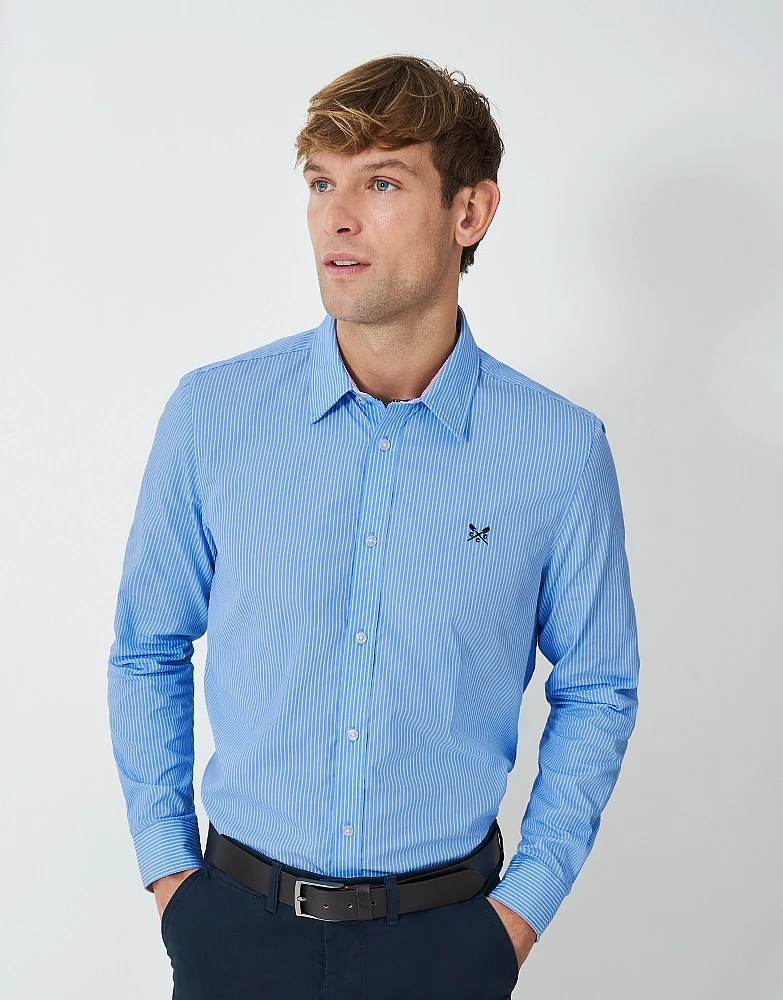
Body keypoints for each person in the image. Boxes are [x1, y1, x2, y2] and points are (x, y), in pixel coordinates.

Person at [107, 53, 640, 1000]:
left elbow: (597, 688)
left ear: (470, 212)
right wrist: (170, 879)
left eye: (381, 183)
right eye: (321, 183)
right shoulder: (213, 416)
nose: (336, 218)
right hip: (232, 931)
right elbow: (147, 646)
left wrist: (517, 916)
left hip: (445, 945)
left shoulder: (559, 451)